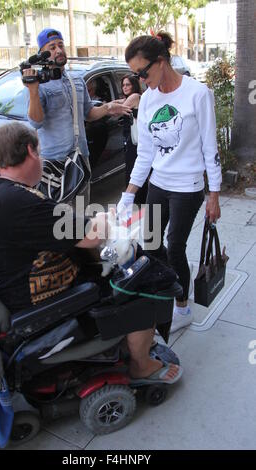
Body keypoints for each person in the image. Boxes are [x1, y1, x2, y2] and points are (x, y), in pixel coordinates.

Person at [0, 122, 182, 384]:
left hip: (12, 284)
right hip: (29, 296)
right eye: (39, 150)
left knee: (110, 260)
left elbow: (59, 222)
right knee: (141, 284)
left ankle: (132, 342)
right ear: (30, 151)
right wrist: (107, 218)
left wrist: (92, 222)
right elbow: (92, 235)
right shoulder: (18, 203)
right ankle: (141, 365)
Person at [117, 32, 222, 333]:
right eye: (134, 74)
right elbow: (145, 153)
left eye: (142, 72)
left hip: (188, 187)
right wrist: (129, 194)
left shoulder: (197, 94)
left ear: (161, 62)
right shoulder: (148, 99)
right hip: (158, 184)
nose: (139, 80)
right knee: (150, 243)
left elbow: (210, 148)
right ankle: (171, 284)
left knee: (175, 247)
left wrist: (213, 194)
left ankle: (182, 308)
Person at [23, 28, 131, 204]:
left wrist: (108, 107)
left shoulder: (77, 80)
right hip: (53, 161)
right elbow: (36, 123)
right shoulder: (39, 84)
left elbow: (88, 113)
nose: (58, 50)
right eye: (51, 47)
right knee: (58, 217)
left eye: (60, 45)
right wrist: (33, 91)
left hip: (81, 156)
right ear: (41, 54)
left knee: (80, 214)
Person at [116, 74, 148, 205]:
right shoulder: (133, 98)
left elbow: (117, 110)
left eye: (128, 84)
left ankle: (136, 202)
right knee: (135, 172)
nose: (125, 87)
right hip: (133, 142)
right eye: (123, 85)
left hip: (135, 143)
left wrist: (107, 106)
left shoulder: (134, 97)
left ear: (134, 85)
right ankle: (139, 201)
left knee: (133, 173)